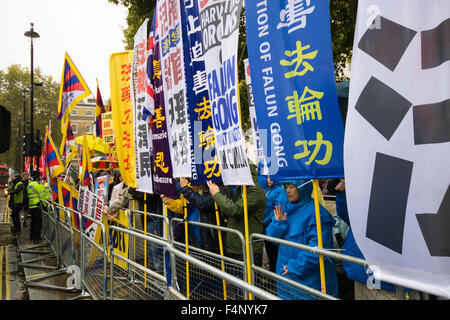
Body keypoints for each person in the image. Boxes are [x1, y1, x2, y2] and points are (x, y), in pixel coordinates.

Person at [266, 179, 339, 300]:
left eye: (292, 187)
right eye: (286, 187)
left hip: (307, 279)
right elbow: (273, 240)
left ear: (302, 187)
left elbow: (318, 250)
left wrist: (294, 267)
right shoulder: (285, 209)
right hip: (286, 275)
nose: (288, 191)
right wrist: (278, 223)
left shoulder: (318, 214)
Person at [207, 161, 266, 266]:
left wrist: (217, 195)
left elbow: (235, 211)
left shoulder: (255, 191)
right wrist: (224, 203)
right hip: (235, 246)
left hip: (247, 249)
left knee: (246, 281)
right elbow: (228, 214)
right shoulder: (239, 190)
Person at [263, 175, 288, 272]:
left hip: (273, 225)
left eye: (271, 177)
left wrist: (266, 221)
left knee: (274, 256)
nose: (268, 179)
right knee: (270, 255)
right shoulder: (267, 190)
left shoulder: (280, 191)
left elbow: (278, 209)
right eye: (267, 177)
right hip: (266, 227)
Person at [27, 171, 47, 243]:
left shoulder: (30, 185)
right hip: (38, 206)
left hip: (32, 206)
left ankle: (32, 236)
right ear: (38, 177)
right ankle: (37, 238)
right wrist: (45, 206)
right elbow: (42, 197)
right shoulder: (38, 185)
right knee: (38, 223)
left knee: (33, 222)